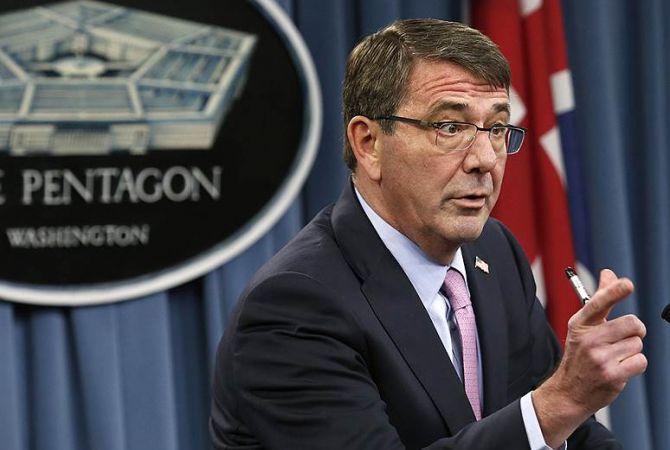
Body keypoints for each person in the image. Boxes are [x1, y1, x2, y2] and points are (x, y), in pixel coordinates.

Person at [210, 18, 647, 449]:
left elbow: (573, 433)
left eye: (496, 129)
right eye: (450, 127)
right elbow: (550, 413)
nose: (485, 160)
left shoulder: (496, 252)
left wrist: (561, 408)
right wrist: (561, 402)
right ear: (368, 143)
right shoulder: (294, 305)